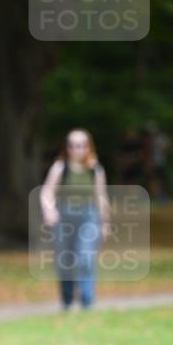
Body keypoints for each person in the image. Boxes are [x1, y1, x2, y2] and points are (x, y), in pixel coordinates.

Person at [40, 128, 111, 310]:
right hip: (64, 217)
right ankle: (67, 301)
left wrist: (105, 223)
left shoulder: (95, 169)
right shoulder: (60, 167)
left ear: (88, 147)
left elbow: (101, 197)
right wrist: (49, 211)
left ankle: (87, 303)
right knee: (65, 261)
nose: (76, 149)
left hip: (89, 217)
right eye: (72, 145)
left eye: (80, 145)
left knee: (86, 258)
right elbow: (47, 191)